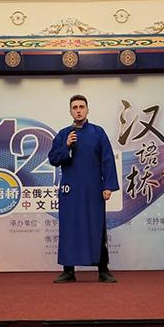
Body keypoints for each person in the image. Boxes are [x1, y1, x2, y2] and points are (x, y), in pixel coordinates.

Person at [48, 94, 120, 283]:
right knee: (69, 228)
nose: (78, 110)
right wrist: (66, 146)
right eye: (75, 107)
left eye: (81, 107)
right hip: (70, 190)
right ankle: (68, 271)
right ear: (70, 111)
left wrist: (108, 186)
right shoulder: (63, 134)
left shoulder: (98, 133)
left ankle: (103, 270)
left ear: (87, 110)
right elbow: (53, 159)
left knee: (96, 227)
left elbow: (107, 159)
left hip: (93, 189)